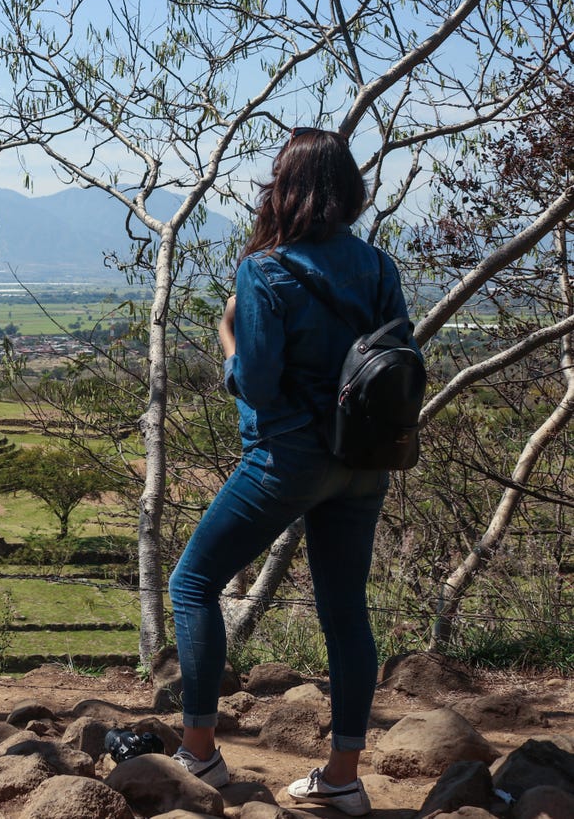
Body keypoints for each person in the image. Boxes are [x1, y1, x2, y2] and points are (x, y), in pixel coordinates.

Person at [108, 128, 418, 817]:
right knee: (345, 610)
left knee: (192, 580)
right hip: (365, 460)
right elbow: (400, 354)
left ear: (283, 189)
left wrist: (226, 336)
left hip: (287, 459)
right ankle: (342, 774)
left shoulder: (264, 269)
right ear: (348, 189)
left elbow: (256, 382)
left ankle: (199, 753)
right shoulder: (376, 267)